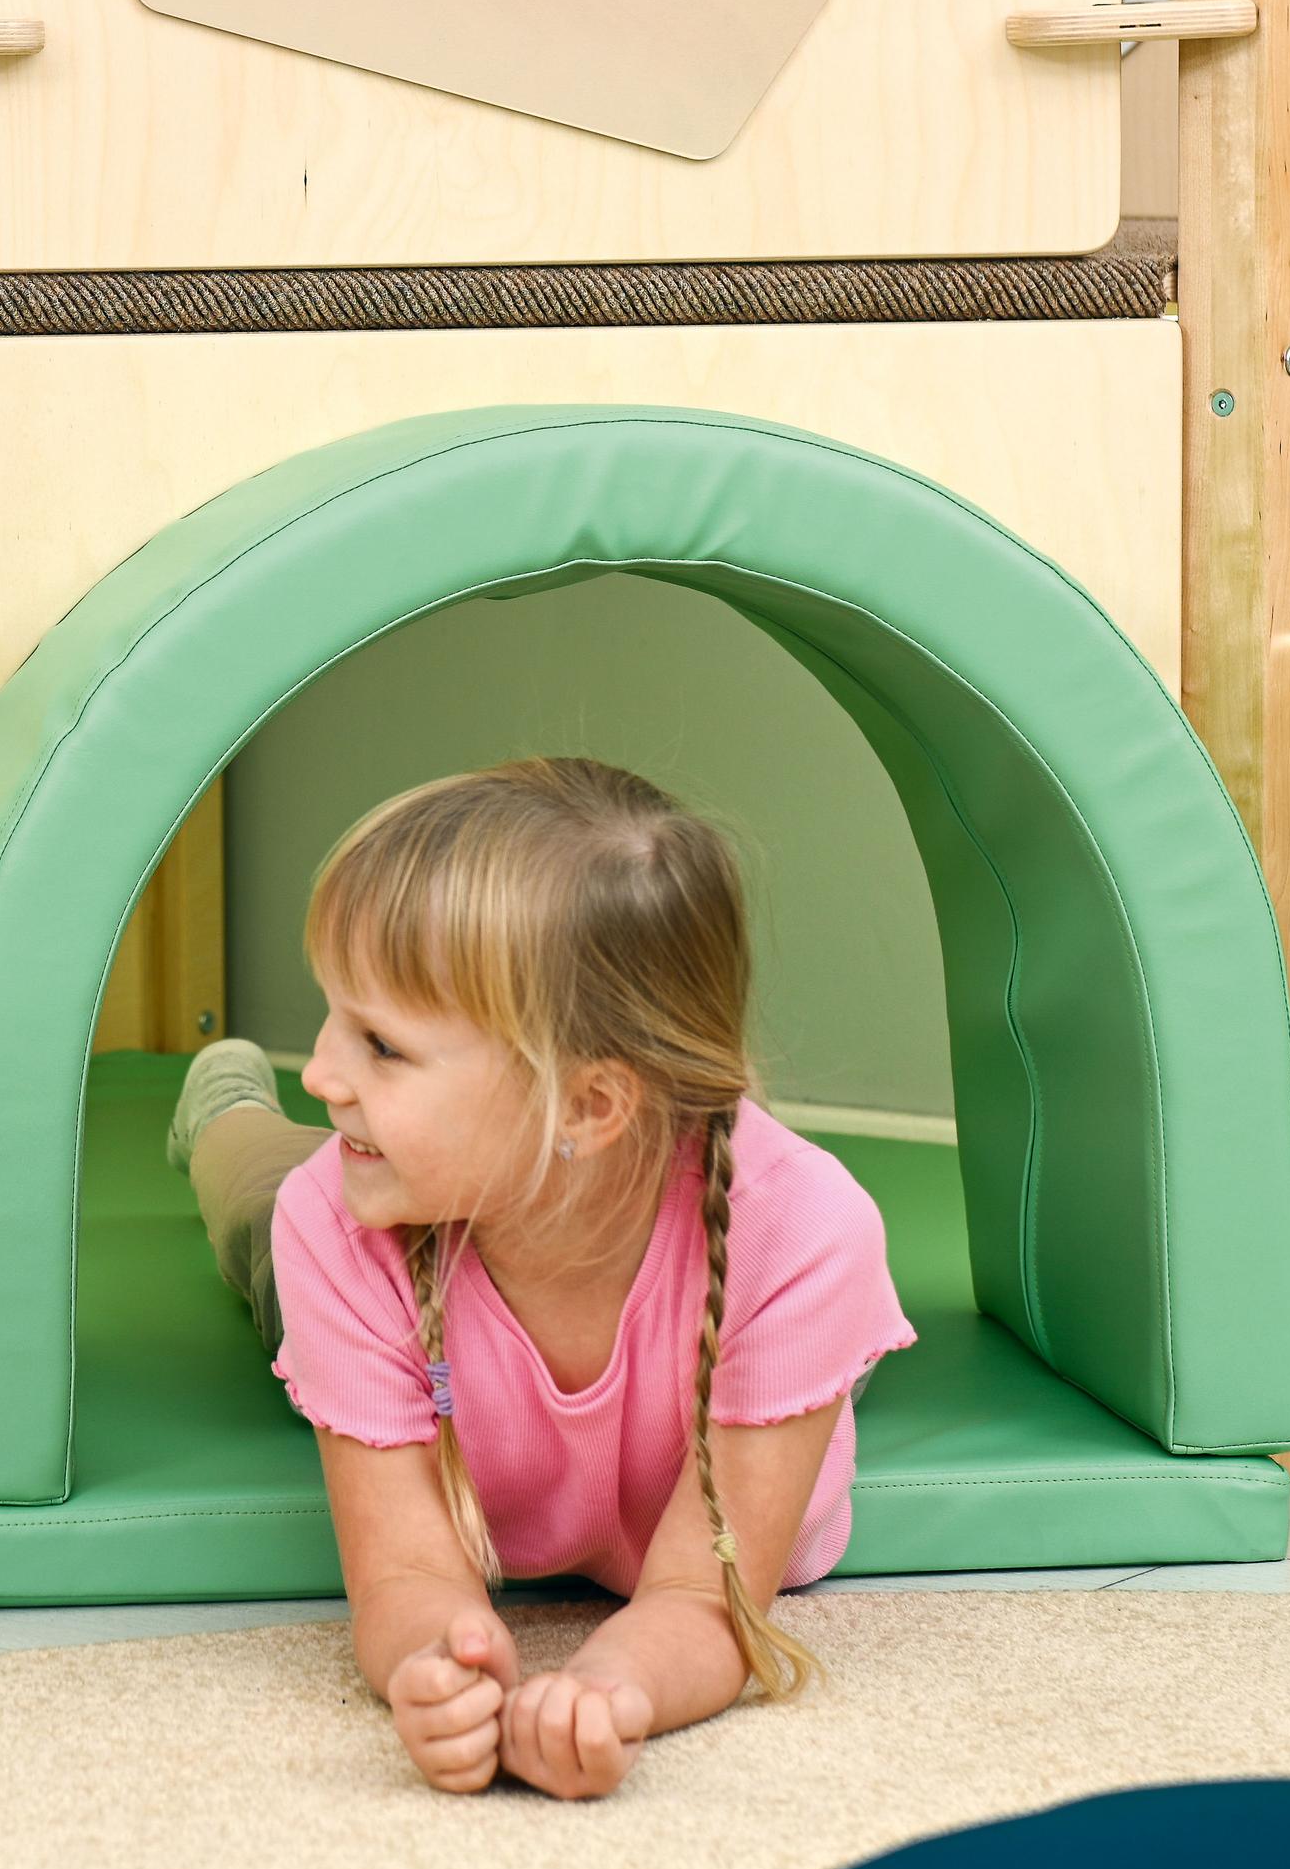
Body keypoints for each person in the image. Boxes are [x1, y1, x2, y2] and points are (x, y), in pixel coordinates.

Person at [169, 757, 912, 1799]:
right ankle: (222, 1105)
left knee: (790, 1316)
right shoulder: (332, 1223)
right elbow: (403, 1576)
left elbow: (704, 1598)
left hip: (722, 1284)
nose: (324, 1072)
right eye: (332, 1018)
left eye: (381, 1044)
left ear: (588, 1106)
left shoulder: (802, 1243)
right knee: (255, 1185)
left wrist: (610, 1691)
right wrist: (439, 1664)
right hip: (383, 1214)